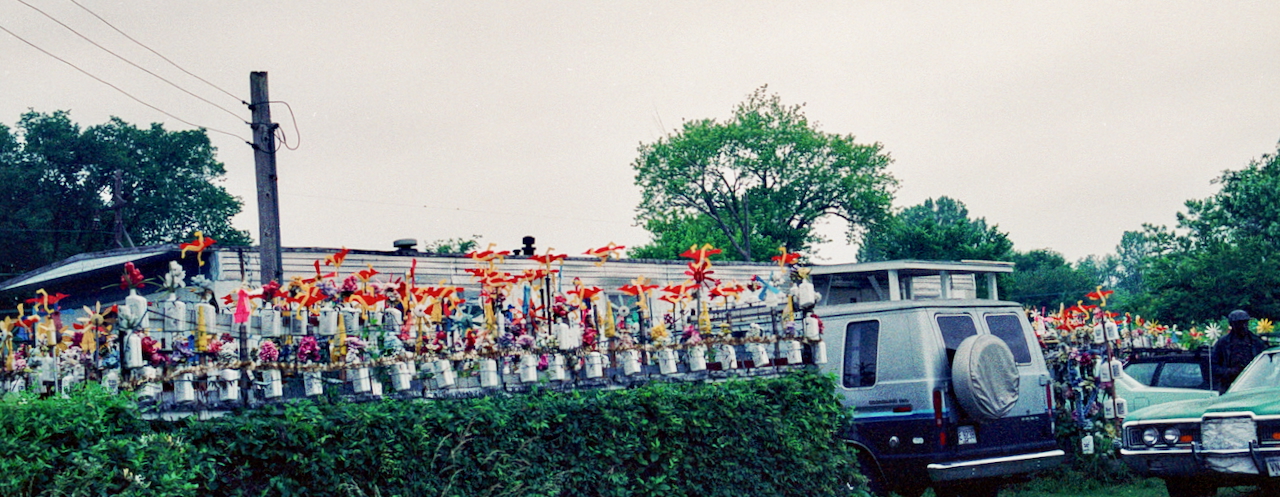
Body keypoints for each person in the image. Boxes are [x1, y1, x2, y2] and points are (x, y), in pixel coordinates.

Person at [1211, 310, 1270, 393]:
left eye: (1245, 323)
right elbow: (1213, 367)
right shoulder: (1223, 343)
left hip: (1253, 386)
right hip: (1230, 386)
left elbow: (1267, 365)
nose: (1243, 326)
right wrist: (1230, 371)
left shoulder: (1256, 342)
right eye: (1239, 323)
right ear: (1232, 324)